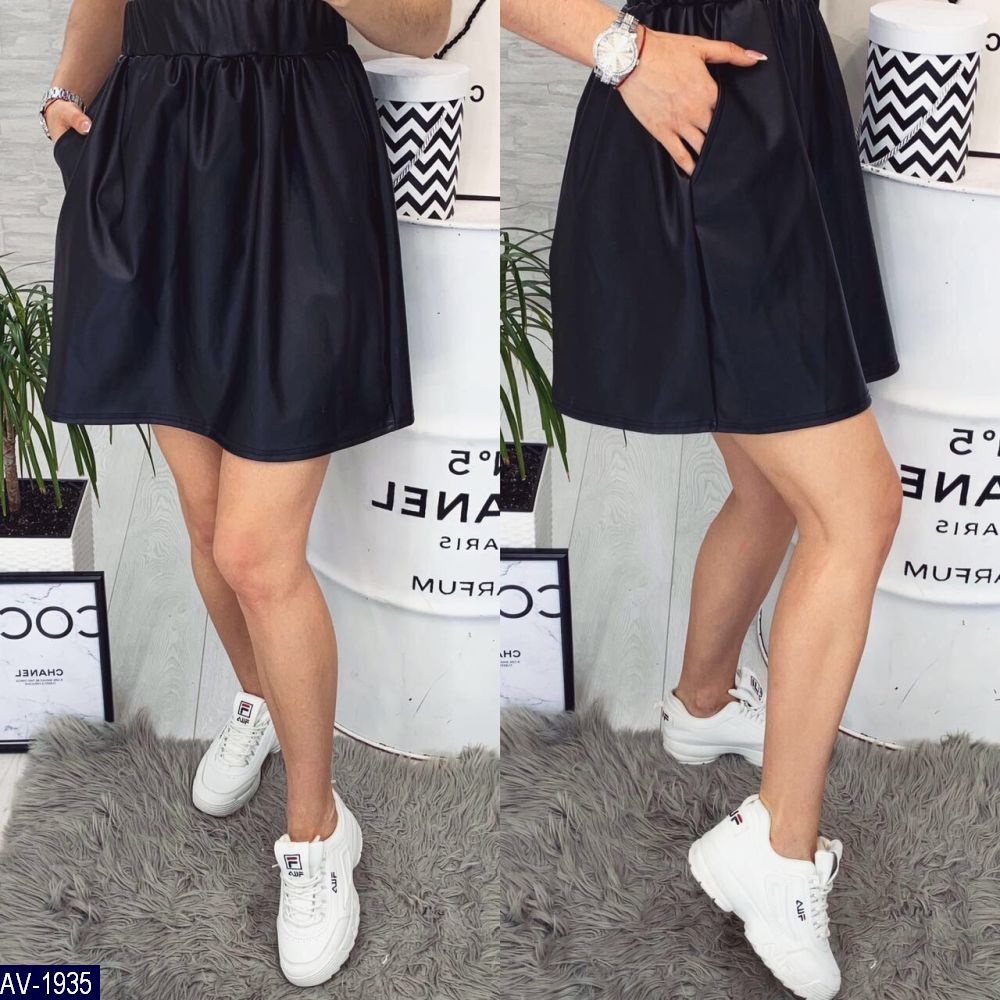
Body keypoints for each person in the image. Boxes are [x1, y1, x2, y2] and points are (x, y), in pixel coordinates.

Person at [41, 0, 451, 986]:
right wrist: (64, 98)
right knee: (204, 521)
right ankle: (262, 697)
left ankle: (317, 831)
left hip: (294, 169)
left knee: (255, 553)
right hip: (157, 164)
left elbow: (421, 27)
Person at [501, 0, 902, 998]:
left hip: (771, 92)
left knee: (771, 480)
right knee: (855, 510)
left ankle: (704, 700)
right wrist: (622, 53)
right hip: (703, 109)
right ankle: (777, 850)